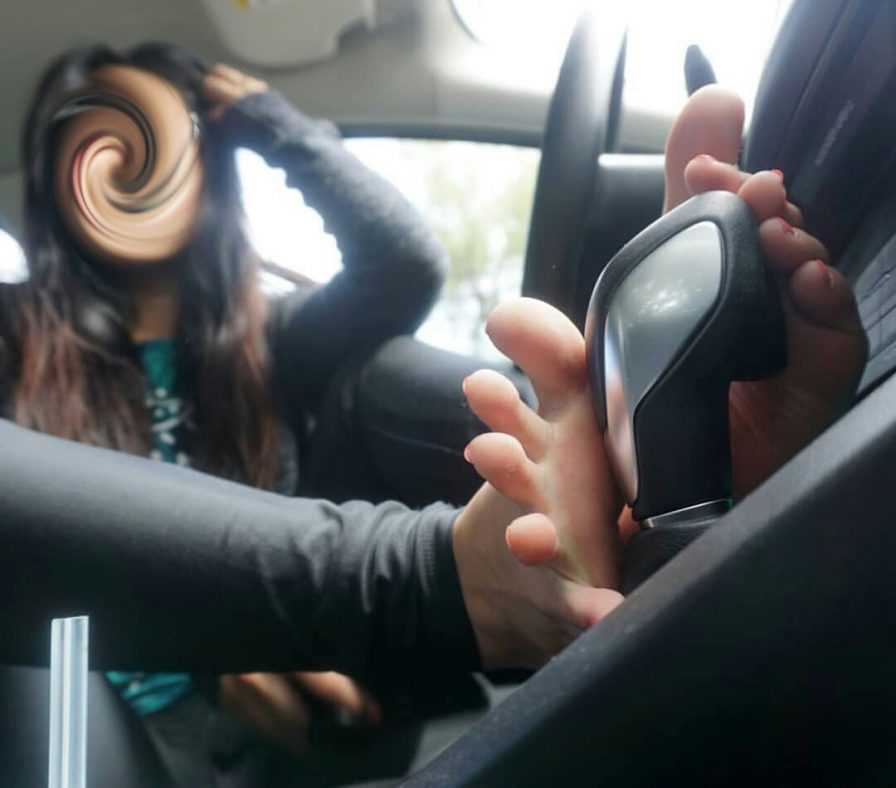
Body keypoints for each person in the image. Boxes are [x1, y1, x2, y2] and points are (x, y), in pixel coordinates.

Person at [0, 41, 866, 783]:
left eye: (156, 139)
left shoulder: (269, 340)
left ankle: (649, 481)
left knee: (372, 372)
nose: (123, 166)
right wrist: (215, 647)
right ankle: (465, 579)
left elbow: (402, 263)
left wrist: (264, 120)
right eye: (97, 136)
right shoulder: (13, 334)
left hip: (325, 691)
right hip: (94, 712)